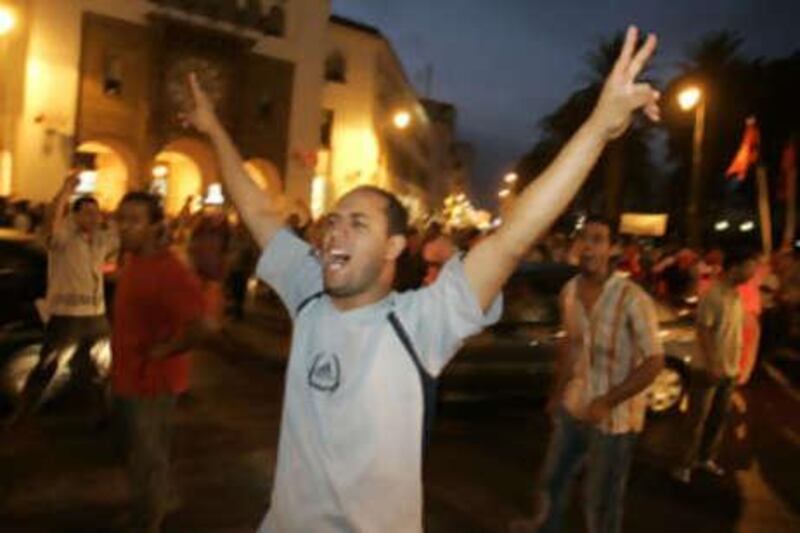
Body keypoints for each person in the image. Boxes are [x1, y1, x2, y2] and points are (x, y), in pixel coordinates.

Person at [184, 25, 660, 532]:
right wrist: (212, 130)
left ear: (394, 248)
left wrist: (596, 127)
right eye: (334, 220)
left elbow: (513, 237)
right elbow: (257, 208)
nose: (333, 232)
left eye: (358, 223)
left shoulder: (421, 322)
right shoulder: (308, 293)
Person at [530, 215, 664, 533]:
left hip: (614, 419)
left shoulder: (632, 298)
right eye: (584, 238)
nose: (588, 247)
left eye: (598, 239)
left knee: (600, 498)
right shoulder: (570, 292)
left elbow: (654, 362)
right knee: (553, 478)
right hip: (574, 405)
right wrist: (556, 394)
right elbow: (570, 345)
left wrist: (608, 400)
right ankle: (548, 527)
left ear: (613, 247)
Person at [112, 191, 214, 532]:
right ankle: (149, 505)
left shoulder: (171, 271)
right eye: (121, 218)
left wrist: (165, 351)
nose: (123, 227)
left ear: (155, 227)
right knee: (138, 454)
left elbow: (202, 327)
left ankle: (148, 523)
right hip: (127, 376)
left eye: (134, 220)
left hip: (152, 383)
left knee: (148, 459)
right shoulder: (134, 260)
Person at [8, 174, 118, 426]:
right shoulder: (64, 239)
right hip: (67, 316)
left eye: (96, 213)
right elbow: (50, 223)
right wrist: (65, 192)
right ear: (75, 215)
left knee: (96, 368)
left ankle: (98, 413)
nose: (93, 218)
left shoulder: (100, 240)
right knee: (49, 364)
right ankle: (24, 414)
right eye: (87, 213)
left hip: (96, 316)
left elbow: (121, 237)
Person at [672, 247, 758, 483]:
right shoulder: (713, 295)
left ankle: (705, 458)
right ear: (734, 268)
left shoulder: (735, 295)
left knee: (718, 418)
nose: (753, 271)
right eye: (750, 265)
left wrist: (737, 364)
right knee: (697, 418)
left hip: (728, 369)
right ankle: (684, 464)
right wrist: (713, 363)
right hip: (708, 368)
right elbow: (704, 330)